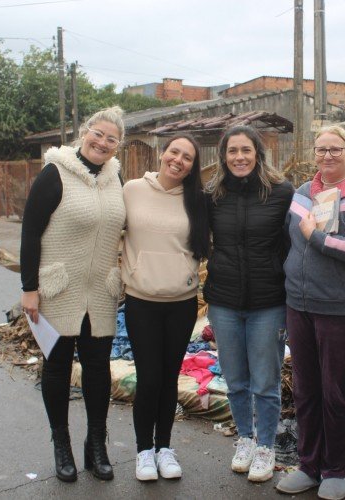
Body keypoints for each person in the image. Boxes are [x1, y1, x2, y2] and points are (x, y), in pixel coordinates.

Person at [20, 106, 127, 482]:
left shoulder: (116, 178)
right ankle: (61, 443)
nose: (102, 142)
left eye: (111, 138)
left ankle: (96, 445)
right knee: (58, 367)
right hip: (58, 288)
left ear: (118, 146)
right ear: (84, 133)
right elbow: (30, 232)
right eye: (97, 134)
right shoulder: (55, 172)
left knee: (98, 369)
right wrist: (29, 289)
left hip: (100, 291)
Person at [277, 125, 345, 500]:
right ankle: (308, 465)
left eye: (335, 149)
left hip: (339, 307)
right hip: (299, 303)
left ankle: (334, 470)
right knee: (305, 388)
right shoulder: (304, 193)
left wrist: (316, 237)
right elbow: (289, 241)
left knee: (333, 390)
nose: (327, 156)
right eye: (321, 149)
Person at [203, 125, 294, 483]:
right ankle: (244, 439)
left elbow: (293, 243)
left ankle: (266, 446)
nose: (239, 157)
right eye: (232, 151)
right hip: (223, 301)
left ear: (258, 153)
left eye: (246, 150)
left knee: (266, 382)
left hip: (268, 301)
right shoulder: (212, 195)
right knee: (236, 379)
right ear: (223, 157)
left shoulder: (281, 193)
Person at [120, 133, 209, 482]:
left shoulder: (197, 200)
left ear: (192, 166)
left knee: (170, 377)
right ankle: (144, 451)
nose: (179, 160)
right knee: (149, 377)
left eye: (187, 157)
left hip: (181, 303)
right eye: (174, 152)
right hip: (141, 300)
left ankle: (164, 448)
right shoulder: (131, 189)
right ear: (162, 153)